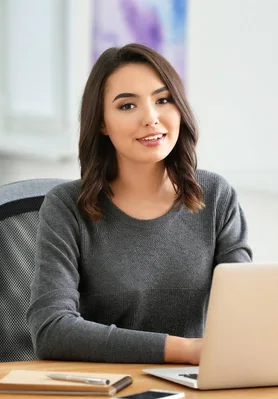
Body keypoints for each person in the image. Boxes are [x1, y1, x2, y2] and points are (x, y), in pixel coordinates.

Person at [27, 43, 252, 365]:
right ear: (102, 123)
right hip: (104, 385)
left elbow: (243, 309)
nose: (151, 118)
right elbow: (51, 331)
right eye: (127, 106)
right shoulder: (66, 207)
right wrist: (184, 350)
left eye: (163, 100)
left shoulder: (215, 195)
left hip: (195, 384)